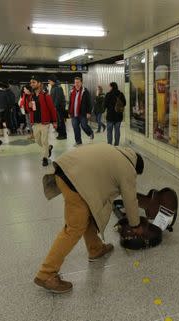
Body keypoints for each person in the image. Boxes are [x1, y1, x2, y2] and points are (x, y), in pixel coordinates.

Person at [35, 143, 145, 293]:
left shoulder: (118, 152)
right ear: (136, 168)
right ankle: (46, 274)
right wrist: (135, 225)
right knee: (74, 229)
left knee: (88, 214)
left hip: (66, 171)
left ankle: (95, 249)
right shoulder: (128, 168)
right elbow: (130, 199)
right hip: (73, 180)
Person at [29, 75, 57, 166]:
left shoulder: (45, 95)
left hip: (45, 122)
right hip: (35, 123)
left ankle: (45, 158)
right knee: (38, 141)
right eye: (31, 82)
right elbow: (30, 110)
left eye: (33, 82)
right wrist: (29, 107)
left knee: (44, 141)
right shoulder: (31, 96)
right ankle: (48, 148)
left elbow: (52, 108)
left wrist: (54, 121)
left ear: (39, 83)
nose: (32, 84)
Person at [69, 77, 94, 146]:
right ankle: (78, 141)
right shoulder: (72, 91)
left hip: (82, 113)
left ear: (81, 83)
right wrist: (69, 112)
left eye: (78, 82)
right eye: (75, 82)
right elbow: (71, 102)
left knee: (84, 125)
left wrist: (89, 112)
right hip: (74, 113)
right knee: (75, 127)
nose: (76, 84)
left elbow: (89, 103)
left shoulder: (85, 91)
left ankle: (90, 133)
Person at [47, 75, 67, 140]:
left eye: (49, 81)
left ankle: (63, 135)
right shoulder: (54, 87)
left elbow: (58, 98)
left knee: (60, 121)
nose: (49, 82)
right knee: (58, 121)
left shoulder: (58, 87)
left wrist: (54, 107)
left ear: (53, 81)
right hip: (55, 107)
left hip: (58, 107)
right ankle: (60, 134)